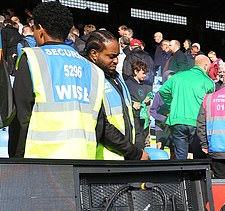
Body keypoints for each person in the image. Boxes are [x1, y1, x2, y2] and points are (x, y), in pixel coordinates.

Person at [8, 2, 146, 160]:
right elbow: (100, 123)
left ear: (40, 30)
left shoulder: (33, 59)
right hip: (83, 162)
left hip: (42, 163)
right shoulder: (93, 70)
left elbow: (21, 119)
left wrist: (16, 161)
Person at [84, 29, 141, 160]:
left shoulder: (116, 77)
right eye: (111, 56)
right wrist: (133, 152)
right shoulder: (89, 79)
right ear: (94, 54)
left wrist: (137, 146)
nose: (116, 61)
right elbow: (103, 126)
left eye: (117, 56)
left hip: (124, 157)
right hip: (105, 161)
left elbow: (129, 115)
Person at [159, 55, 215, 159]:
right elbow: (210, 103)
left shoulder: (177, 76)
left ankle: (181, 174)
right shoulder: (208, 82)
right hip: (197, 122)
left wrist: (172, 104)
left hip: (177, 120)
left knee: (180, 156)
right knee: (199, 156)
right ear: (206, 66)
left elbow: (163, 91)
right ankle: (197, 175)